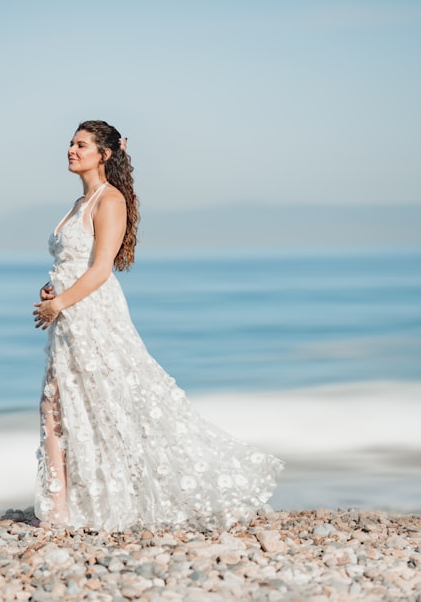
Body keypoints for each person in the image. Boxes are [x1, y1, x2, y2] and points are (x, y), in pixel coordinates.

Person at [32, 120, 284, 532]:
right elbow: (73, 263)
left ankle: (77, 510)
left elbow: (101, 269)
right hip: (70, 317)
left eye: (81, 145)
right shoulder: (80, 203)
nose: (70, 150)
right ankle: (64, 508)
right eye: (71, 143)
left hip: (93, 314)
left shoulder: (110, 200)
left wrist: (61, 300)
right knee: (63, 405)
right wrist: (53, 287)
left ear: (104, 154)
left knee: (107, 403)